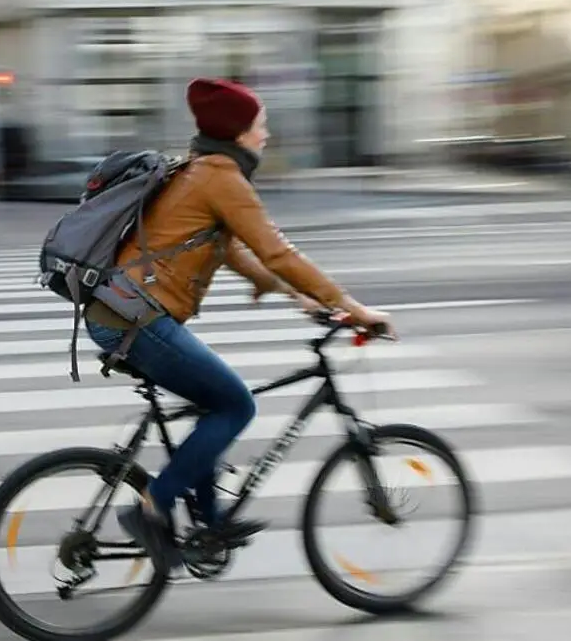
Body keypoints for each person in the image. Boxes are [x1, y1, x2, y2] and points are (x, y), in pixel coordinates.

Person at [83, 77, 396, 567]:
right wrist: (353, 308)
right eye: (260, 125)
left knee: (214, 404)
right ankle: (152, 509)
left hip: (123, 310)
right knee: (235, 405)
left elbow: (224, 245)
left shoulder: (199, 169)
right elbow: (277, 250)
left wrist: (285, 291)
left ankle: (209, 524)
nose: (265, 134)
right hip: (134, 318)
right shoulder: (221, 177)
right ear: (238, 132)